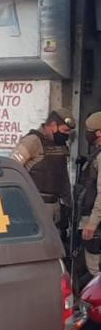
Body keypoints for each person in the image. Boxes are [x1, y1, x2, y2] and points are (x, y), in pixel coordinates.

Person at [10, 108, 76, 227]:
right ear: (53, 126)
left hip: (55, 206)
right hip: (33, 205)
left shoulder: (60, 145)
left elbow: (63, 176)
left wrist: (69, 204)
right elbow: (12, 169)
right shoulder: (32, 141)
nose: (67, 135)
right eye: (65, 130)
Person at [76, 112, 101, 276]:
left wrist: (92, 223)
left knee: (95, 270)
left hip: (96, 221)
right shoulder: (96, 153)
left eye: (90, 131)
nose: (87, 134)